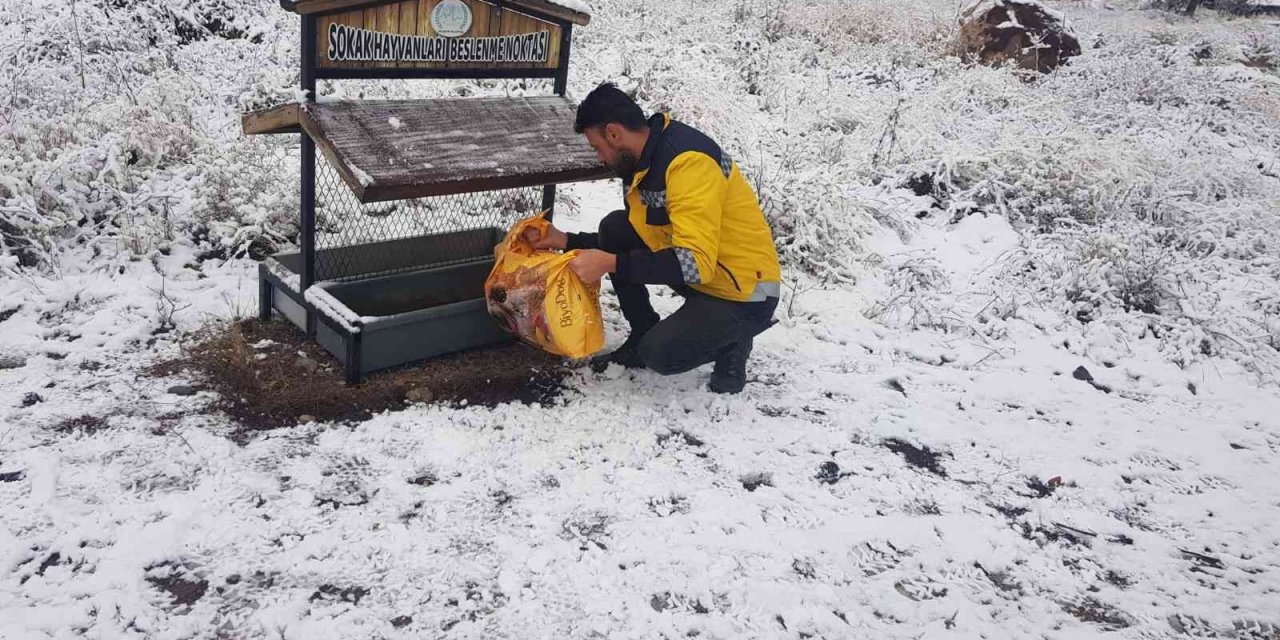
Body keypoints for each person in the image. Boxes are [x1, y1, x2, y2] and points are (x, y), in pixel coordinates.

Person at [527, 83, 782, 394]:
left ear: (614, 134)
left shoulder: (688, 163)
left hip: (746, 292)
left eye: (596, 147)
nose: (600, 157)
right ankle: (642, 332)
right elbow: (645, 237)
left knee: (661, 354)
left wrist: (611, 263)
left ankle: (734, 340)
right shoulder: (643, 162)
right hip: (707, 273)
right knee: (615, 228)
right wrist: (565, 240)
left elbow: (694, 264)